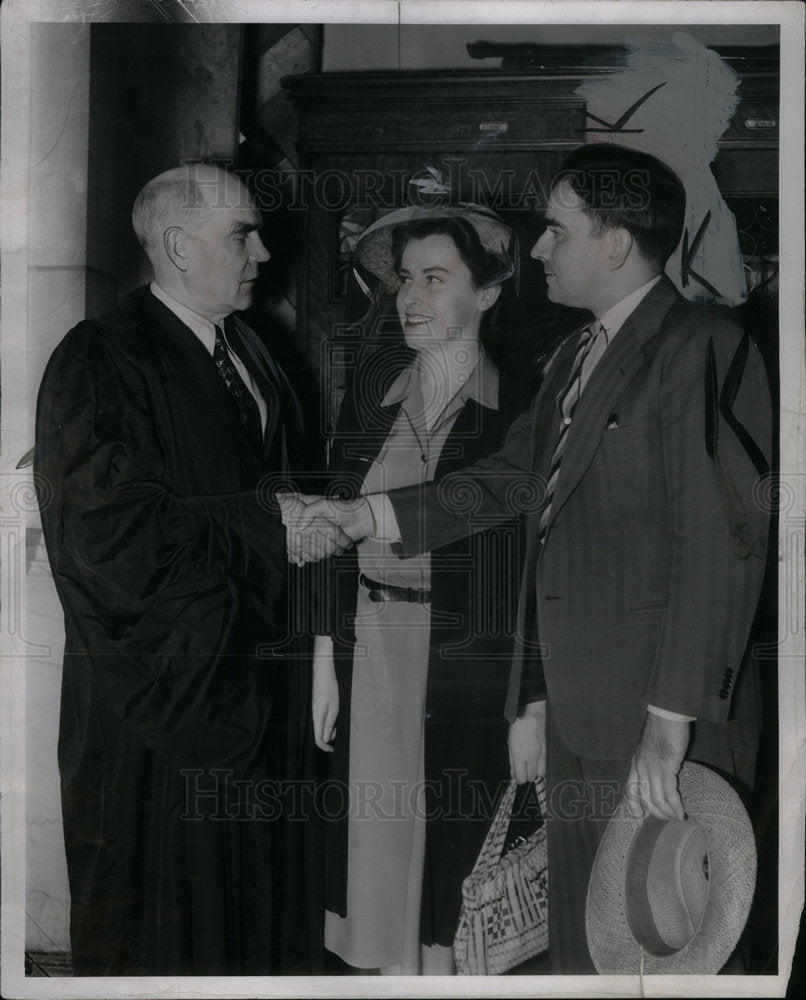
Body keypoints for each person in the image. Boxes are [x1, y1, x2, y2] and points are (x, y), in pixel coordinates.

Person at [286, 145, 773, 973]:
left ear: (615, 243)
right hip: (585, 714)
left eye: (555, 229)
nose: (538, 249)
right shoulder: (578, 359)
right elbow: (508, 482)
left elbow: (723, 542)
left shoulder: (703, 347)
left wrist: (670, 721)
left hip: (655, 719)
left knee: (670, 946)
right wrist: (360, 513)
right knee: (592, 947)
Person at [34, 163, 344, 975]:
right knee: (168, 926)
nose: (265, 252)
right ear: (176, 245)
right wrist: (270, 526)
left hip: (263, 689)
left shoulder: (256, 354)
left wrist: (315, 642)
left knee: (263, 916)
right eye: (243, 232)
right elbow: (106, 536)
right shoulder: (102, 358)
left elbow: (297, 497)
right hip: (162, 699)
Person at [296, 206, 534, 975]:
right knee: (371, 855)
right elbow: (333, 522)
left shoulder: (522, 408)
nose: (411, 297)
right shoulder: (371, 394)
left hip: (467, 665)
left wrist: (530, 698)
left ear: (488, 295)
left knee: (454, 865)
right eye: (405, 278)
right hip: (371, 652)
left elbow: (538, 569)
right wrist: (324, 653)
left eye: (436, 279)